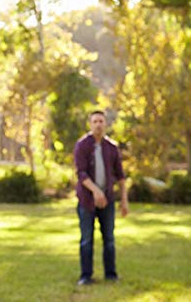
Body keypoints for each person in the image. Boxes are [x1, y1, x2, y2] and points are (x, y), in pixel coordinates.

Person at [73, 110, 128, 286]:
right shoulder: (82, 145)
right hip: (87, 201)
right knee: (87, 240)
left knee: (109, 240)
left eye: (101, 121)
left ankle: (111, 274)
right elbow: (81, 173)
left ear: (105, 124)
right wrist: (96, 191)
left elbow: (120, 176)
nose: (98, 124)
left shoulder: (112, 147)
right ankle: (85, 276)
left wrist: (124, 200)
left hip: (108, 201)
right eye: (95, 121)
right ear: (90, 124)